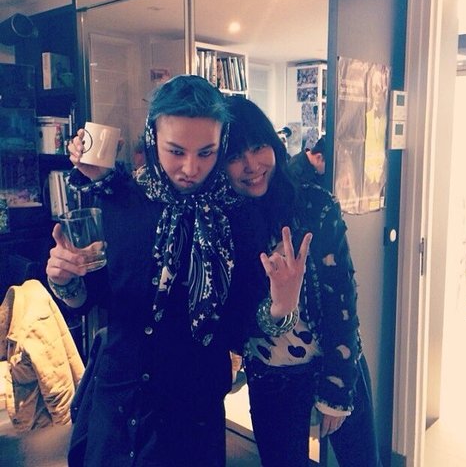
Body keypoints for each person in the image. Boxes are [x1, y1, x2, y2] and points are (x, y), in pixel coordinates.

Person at [46, 75, 250, 467]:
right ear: (153, 138)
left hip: (193, 408)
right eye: (176, 151)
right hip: (120, 399)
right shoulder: (123, 200)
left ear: (222, 145)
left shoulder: (234, 216)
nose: (190, 168)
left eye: (206, 153)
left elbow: (241, 318)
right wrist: (65, 279)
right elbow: (94, 296)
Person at [223, 96, 381, 467]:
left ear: (274, 145)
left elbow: (343, 302)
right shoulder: (222, 224)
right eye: (234, 156)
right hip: (272, 378)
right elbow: (234, 322)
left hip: (336, 360)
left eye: (258, 147)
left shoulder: (315, 205)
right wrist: (279, 308)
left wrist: (337, 388)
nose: (251, 165)